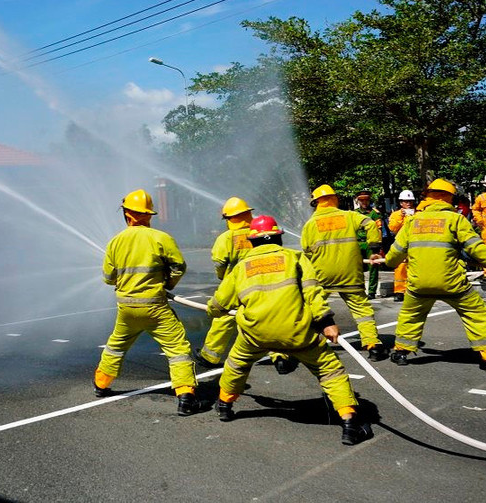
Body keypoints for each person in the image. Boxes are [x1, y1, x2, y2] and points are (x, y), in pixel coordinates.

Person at [206, 215, 373, 445]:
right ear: (278, 238)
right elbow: (313, 292)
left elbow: (219, 305)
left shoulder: (240, 268)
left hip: (256, 335)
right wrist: (326, 323)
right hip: (299, 334)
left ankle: (224, 405)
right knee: (330, 370)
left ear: (252, 241)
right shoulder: (295, 258)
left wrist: (211, 309)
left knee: (236, 364)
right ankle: (350, 424)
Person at [376, 178, 486, 374]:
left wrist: (387, 261)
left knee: (411, 315)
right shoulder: (455, 220)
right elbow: (476, 248)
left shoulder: (413, 221)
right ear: (449, 198)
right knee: (476, 315)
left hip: (419, 285)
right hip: (452, 284)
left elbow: (394, 255)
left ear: (428, 197)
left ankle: (401, 352)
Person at [94, 189, 205, 415]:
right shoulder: (161, 238)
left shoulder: (115, 241)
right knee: (178, 348)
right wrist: (168, 283)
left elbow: (108, 278)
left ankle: (101, 384)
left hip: (126, 307)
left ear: (127, 213)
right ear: (148, 214)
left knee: (116, 346)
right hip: (155, 307)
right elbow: (179, 267)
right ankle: (186, 397)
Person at [194, 197, 297, 375]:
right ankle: (280, 356)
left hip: (235, 286)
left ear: (229, 219)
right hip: (264, 284)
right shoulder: (259, 232)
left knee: (223, 319)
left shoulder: (226, 238)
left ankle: (210, 356)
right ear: (248, 214)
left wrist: (223, 278)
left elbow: (219, 263)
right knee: (267, 319)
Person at [301, 185, 389, 361]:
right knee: (362, 310)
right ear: (335, 199)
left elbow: (306, 252)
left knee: (312, 308)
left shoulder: (310, 225)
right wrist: (374, 249)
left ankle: (305, 345)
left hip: (322, 275)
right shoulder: (349, 216)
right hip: (350, 273)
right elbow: (371, 224)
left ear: (316, 202)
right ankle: (373, 344)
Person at [386, 190, 416, 302]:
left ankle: (413, 290)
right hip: (401, 244)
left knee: (415, 267)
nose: (408, 203)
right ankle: (399, 291)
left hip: (415, 243)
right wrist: (401, 216)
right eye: (406, 201)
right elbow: (393, 228)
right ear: (401, 203)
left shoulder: (418, 213)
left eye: (410, 201)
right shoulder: (395, 214)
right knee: (400, 268)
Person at [354, 189, 383, 299]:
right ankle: (359, 289)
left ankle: (371, 291)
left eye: (366, 200)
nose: (364, 202)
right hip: (357, 243)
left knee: (373, 267)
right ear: (358, 201)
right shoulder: (354, 214)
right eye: (362, 200)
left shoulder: (374, 214)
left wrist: (378, 245)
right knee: (356, 268)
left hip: (370, 244)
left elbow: (379, 230)